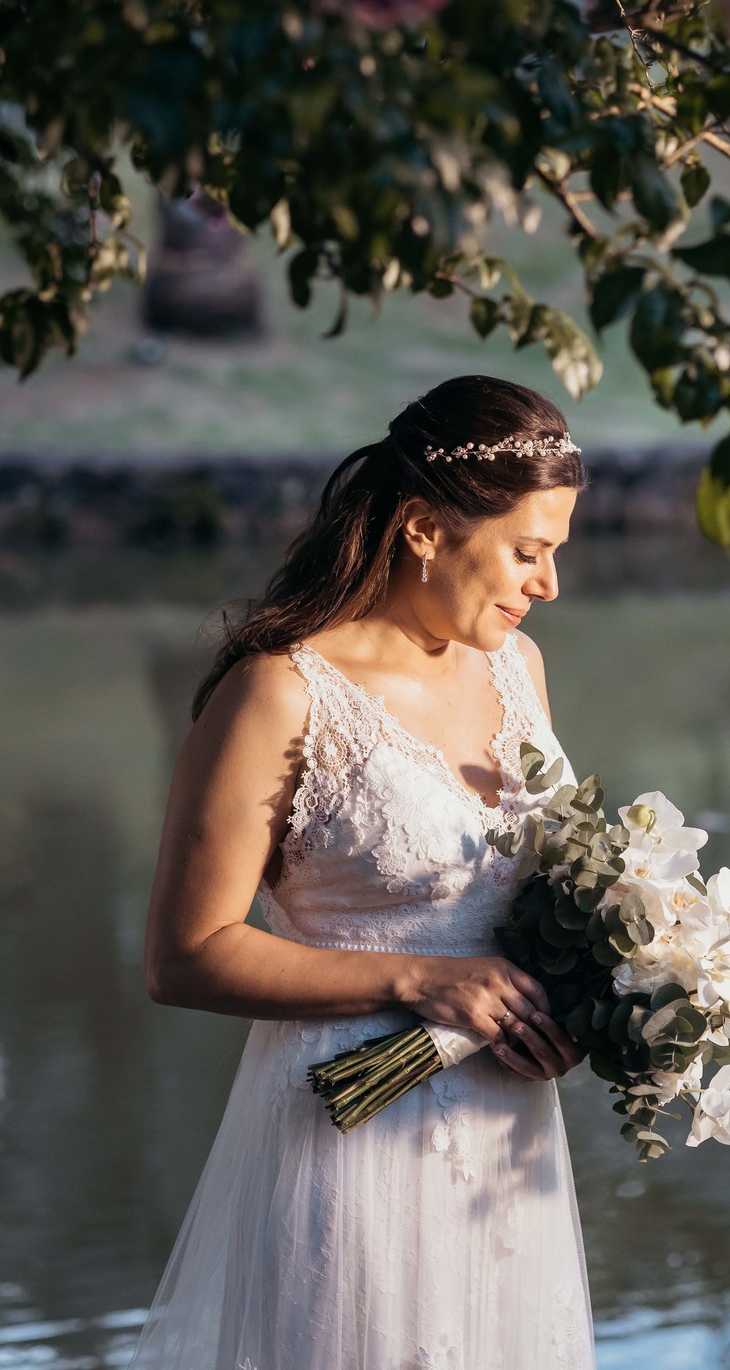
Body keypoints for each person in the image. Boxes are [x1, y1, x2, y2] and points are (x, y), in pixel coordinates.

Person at [131, 374, 597, 1370]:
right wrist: (420, 979)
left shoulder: (519, 670)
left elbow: (532, 902)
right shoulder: (280, 693)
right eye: (528, 552)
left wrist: (574, 1009)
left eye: (554, 553)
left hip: (509, 1140)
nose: (548, 585)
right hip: (349, 1138)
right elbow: (184, 956)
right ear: (425, 528)